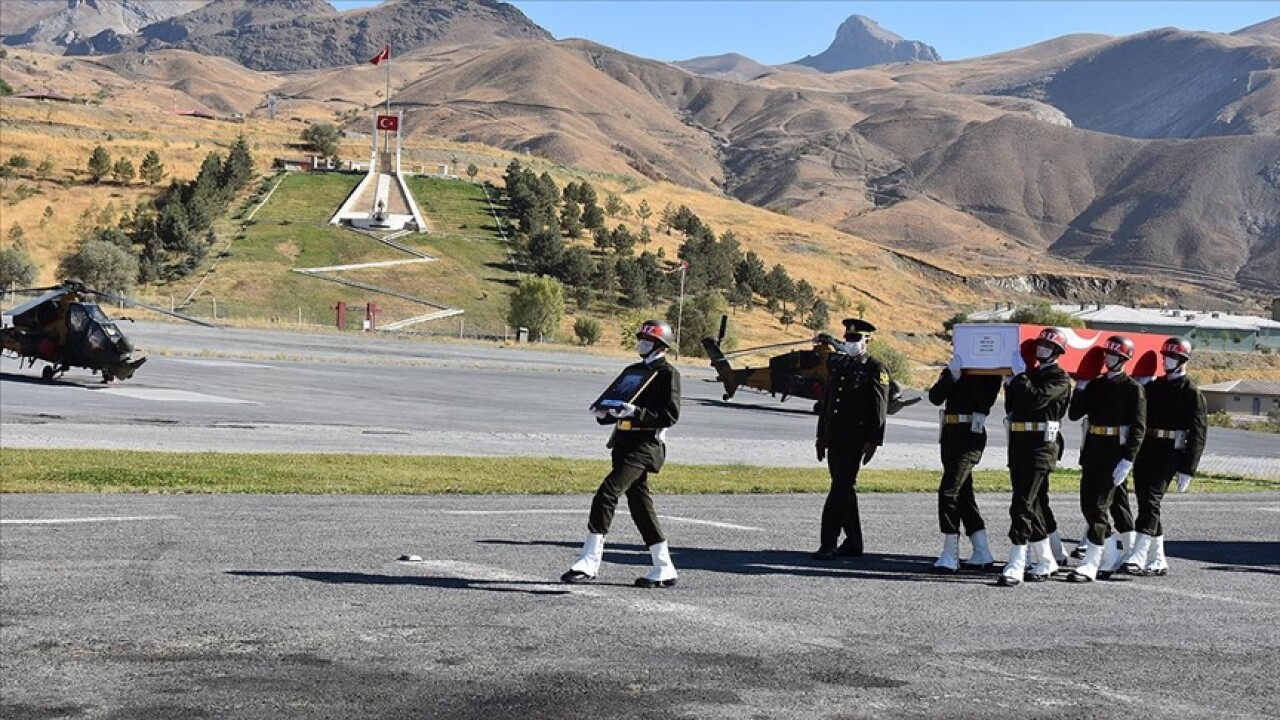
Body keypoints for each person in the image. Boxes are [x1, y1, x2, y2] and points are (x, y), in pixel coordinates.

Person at [561, 319, 682, 588]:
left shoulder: (667, 374)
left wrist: (636, 412)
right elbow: (618, 403)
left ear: (660, 345)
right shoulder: (633, 371)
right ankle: (664, 566)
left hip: (646, 446)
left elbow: (670, 415)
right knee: (641, 507)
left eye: (647, 340)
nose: (641, 344)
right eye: (641, 339)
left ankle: (589, 561)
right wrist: (604, 413)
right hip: (624, 444)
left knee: (607, 493)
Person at [1066, 335, 1147, 583]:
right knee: (1087, 505)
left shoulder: (1133, 388)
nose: (1108, 358)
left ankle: (1091, 562)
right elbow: (1074, 414)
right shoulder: (1096, 385)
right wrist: (1080, 388)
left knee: (1100, 506)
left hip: (1115, 454)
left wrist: (1128, 460)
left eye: (1114, 355)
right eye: (1107, 354)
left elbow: (1138, 428)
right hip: (1093, 451)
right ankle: (1110, 556)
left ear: (1124, 359)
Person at [1124, 336, 1207, 576]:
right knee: (1146, 502)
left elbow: (1198, 433)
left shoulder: (1191, 392)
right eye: (1165, 356)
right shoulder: (1155, 387)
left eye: (1172, 357)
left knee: (1151, 500)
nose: (1166, 361)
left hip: (1171, 452)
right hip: (1147, 448)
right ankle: (1158, 559)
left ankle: (1139, 554)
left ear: (1183, 360)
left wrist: (1188, 468)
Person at [999, 327, 1073, 586]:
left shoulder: (1059, 378)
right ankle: (1046, 560)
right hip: (1020, 443)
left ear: (1057, 352)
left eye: (1048, 346)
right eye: (1040, 345)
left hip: (1041, 447)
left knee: (1021, 503)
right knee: (1035, 504)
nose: (1042, 349)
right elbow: (1013, 408)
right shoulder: (1029, 376)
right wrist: (1011, 382)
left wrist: (1019, 378)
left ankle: (1017, 561)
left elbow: (1037, 400)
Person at [812, 318, 888, 560]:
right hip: (834, 436)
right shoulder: (839, 365)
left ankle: (828, 542)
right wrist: (821, 435)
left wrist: (874, 440)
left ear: (867, 341)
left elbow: (879, 407)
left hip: (856, 439)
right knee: (844, 489)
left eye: (856, 339)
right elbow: (827, 403)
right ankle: (854, 542)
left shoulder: (875, 368)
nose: (851, 342)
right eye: (848, 338)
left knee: (838, 489)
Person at [927, 353, 1002, 572]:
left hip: (970, 435)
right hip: (950, 435)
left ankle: (950, 554)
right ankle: (982, 551)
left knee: (949, 492)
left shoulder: (989, 373)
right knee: (964, 494)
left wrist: (969, 376)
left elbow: (984, 402)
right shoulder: (955, 370)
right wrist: (952, 376)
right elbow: (935, 397)